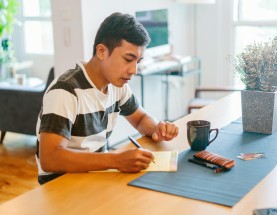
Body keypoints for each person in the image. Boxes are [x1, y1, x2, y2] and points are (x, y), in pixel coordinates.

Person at [36, 12, 179, 184]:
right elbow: (50, 158)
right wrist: (115, 160)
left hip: (95, 176)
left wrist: (158, 128)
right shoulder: (66, 90)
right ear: (102, 51)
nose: (133, 70)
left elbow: (140, 119)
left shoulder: (117, 86)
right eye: (128, 59)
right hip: (61, 184)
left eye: (138, 62)